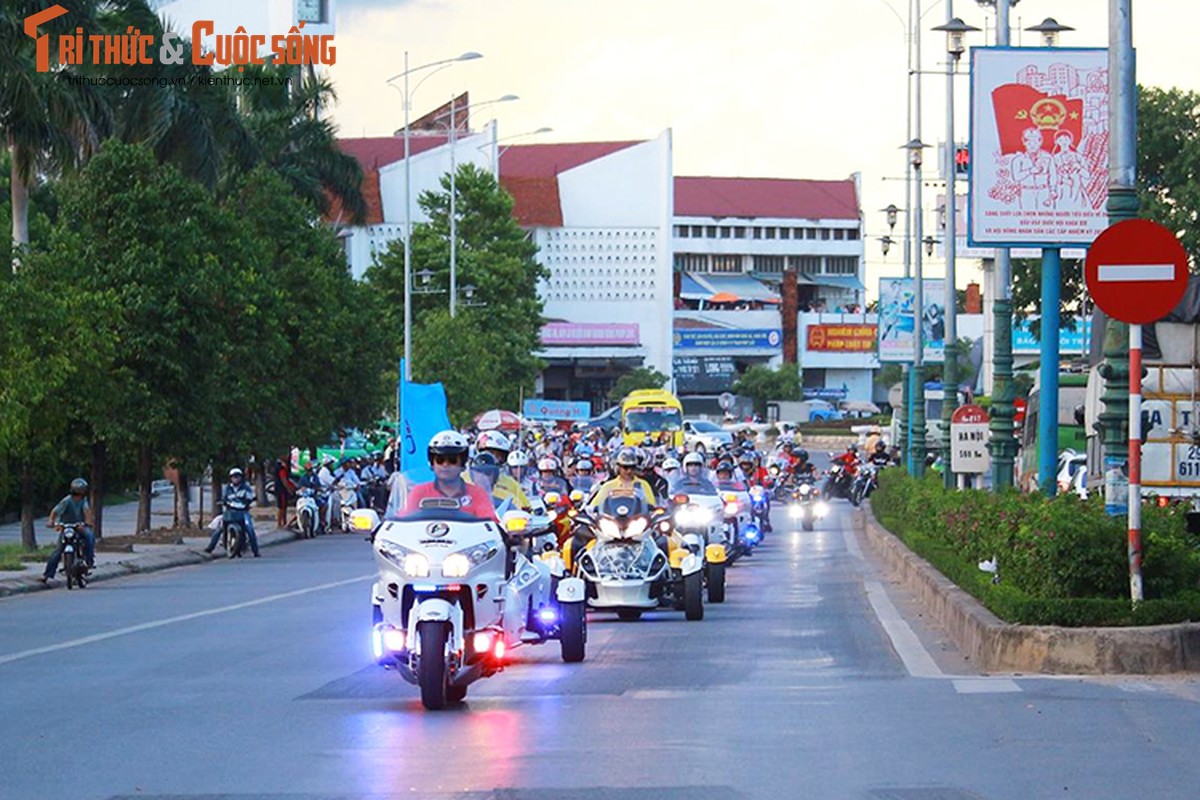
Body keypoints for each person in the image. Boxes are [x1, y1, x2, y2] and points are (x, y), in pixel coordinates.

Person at [402, 430, 497, 520]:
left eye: (452, 460)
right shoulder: (419, 492)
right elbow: (403, 520)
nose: (445, 465)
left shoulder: (477, 493)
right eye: (440, 460)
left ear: (462, 464)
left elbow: (490, 522)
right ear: (432, 464)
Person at [40, 478, 96, 584]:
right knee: (57, 551)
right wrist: (51, 522)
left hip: (79, 527)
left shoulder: (84, 501)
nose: (79, 495)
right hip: (66, 528)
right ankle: (47, 574)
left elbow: (87, 512)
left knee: (89, 537)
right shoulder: (67, 501)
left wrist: (87, 523)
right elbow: (55, 511)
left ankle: (89, 561)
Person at [469, 431, 531, 510]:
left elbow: (526, 508)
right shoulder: (462, 478)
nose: (493, 458)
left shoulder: (510, 483)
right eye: (489, 452)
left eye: (498, 455)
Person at [205, 468, 260, 557]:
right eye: (234, 477)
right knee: (219, 528)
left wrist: (249, 500)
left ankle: (255, 551)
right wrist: (222, 501)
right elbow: (224, 498)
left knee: (250, 529)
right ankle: (210, 547)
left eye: (237, 477)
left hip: (242, 512)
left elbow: (251, 496)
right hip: (230, 512)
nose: (236, 479)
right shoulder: (228, 488)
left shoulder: (246, 488)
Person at [589, 447, 657, 509]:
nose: (629, 471)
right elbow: (593, 506)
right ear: (618, 467)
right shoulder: (608, 486)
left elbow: (652, 507)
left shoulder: (643, 485)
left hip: (637, 520)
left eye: (632, 467)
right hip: (611, 520)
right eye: (625, 467)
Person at [273, 456, 296, 529]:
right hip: (281, 489)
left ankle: (284, 522)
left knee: (284, 506)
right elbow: (284, 479)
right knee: (281, 507)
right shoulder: (280, 467)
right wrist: (289, 489)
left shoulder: (282, 465)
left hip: (282, 489)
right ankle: (280, 524)